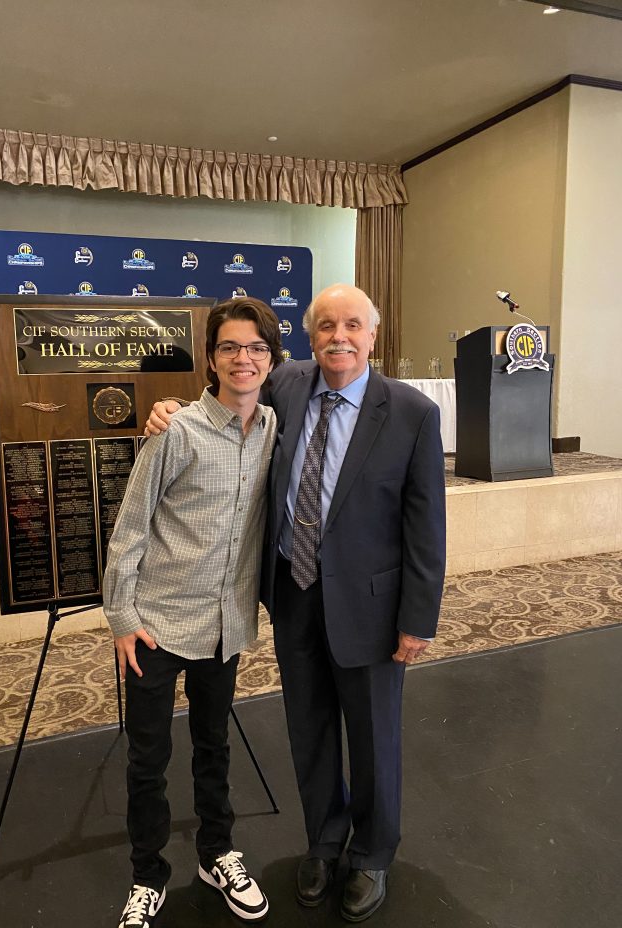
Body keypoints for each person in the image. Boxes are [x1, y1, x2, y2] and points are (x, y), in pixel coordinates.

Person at [148, 283, 446, 923]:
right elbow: (225, 393)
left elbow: (426, 527)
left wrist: (418, 617)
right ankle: (324, 840)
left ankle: (370, 853)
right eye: (326, 326)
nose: (339, 337)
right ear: (309, 338)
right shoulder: (285, 385)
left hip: (372, 608)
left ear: (373, 334)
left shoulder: (413, 414)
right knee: (308, 730)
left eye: (352, 326)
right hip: (294, 593)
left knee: (372, 738)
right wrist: (166, 407)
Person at [104, 297, 283, 928]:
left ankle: (217, 852)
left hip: (225, 624)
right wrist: (122, 618)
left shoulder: (271, 429)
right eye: (230, 347)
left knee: (215, 745)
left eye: (256, 347)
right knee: (147, 758)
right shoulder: (175, 430)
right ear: (210, 358)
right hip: (155, 625)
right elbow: (129, 529)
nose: (244, 358)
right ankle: (147, 876)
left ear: (270, 357)